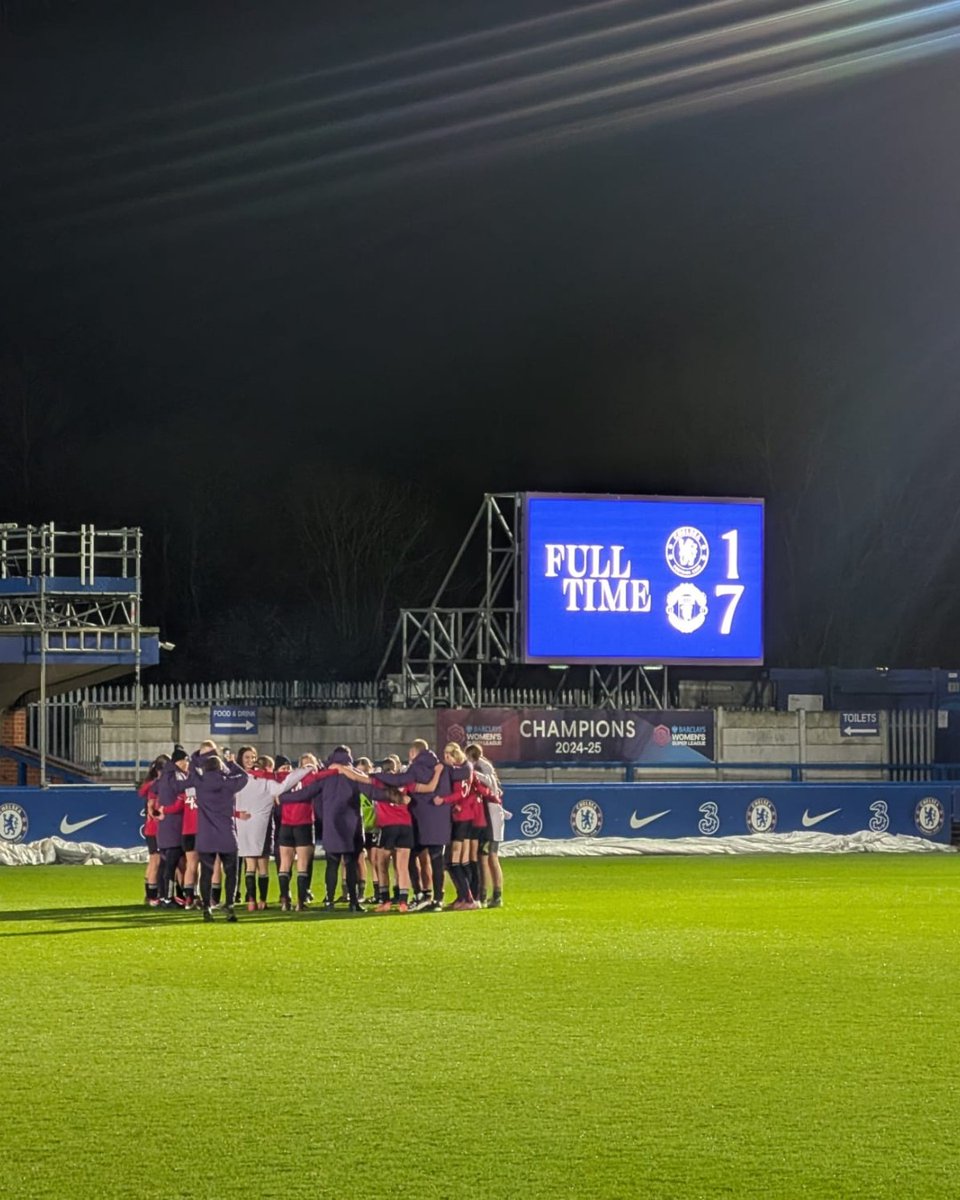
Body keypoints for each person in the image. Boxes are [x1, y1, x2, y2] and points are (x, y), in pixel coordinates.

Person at [235, 746, 311, 911]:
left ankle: (257, 900)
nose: (250, 760)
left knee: (257, 865)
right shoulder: (245, 779)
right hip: (254, 824)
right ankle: (257, 900)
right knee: (256, 865)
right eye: (247, 757)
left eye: (253, 757)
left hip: (258, 823)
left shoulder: (254, 778)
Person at [376, 739, 447, 912]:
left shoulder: (412, 771)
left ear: (414, 753)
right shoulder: (440, 768)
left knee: (407, 860)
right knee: (432, 859)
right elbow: (431, 787)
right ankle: (433, 896)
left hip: (417, 821)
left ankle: (421, 895)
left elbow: (419, 789)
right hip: (435, 821)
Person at [293, 746, 366, 912]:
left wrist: (324, 818)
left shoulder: (325, 777)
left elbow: (312, 798)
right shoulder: (353, 775)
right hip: (352, 826)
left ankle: (329, 901)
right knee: (351, 864)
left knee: (331, 864)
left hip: (331, 825)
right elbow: (369, 788)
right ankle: (353, 901)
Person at [185, 748, 252, 922]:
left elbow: (192, 768)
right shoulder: (228, 783)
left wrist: (196, 755)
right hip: (227, 835)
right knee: (231, 873)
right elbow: (245, 777)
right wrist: (231, 763)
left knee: (206, 873)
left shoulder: (200, 783)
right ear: (221, 767)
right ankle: (229, 906)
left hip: (206, 835)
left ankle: (207, 908)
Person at [466, 743, 506, 908]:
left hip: (492, 817)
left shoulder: (482, 766)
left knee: (491, 856)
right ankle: (482, 894)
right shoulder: (481, 766)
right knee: (483, 856)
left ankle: (497, 894)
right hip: (487, 817)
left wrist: (472, 773)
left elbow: (491, 786)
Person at [155, 747, 190, 906]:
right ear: (180, 761)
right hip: (175, 828)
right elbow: (183, 792)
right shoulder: (176, 776)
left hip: (166, 828)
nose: (188, 764)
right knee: (172, 866)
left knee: (168, 865)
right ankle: (168, 898)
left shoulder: (164, 776)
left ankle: (167, 896)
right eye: (186, 761)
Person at [137, 755, 168, 906]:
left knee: (155, 860)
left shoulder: (152, 785)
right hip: (155, 828)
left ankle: (151, 894)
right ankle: (151, 895)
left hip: (153, 829)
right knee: (156, 860)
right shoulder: (156, 786)